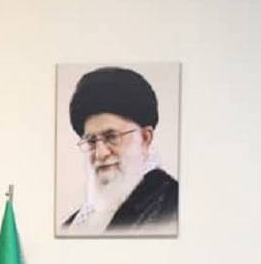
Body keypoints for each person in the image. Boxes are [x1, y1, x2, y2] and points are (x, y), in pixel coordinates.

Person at [61, 66, 178, 235]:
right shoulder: (73, 224)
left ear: (145, 138)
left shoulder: (172, 206)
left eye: (111, 137)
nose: (100, 153)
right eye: (91, 141)